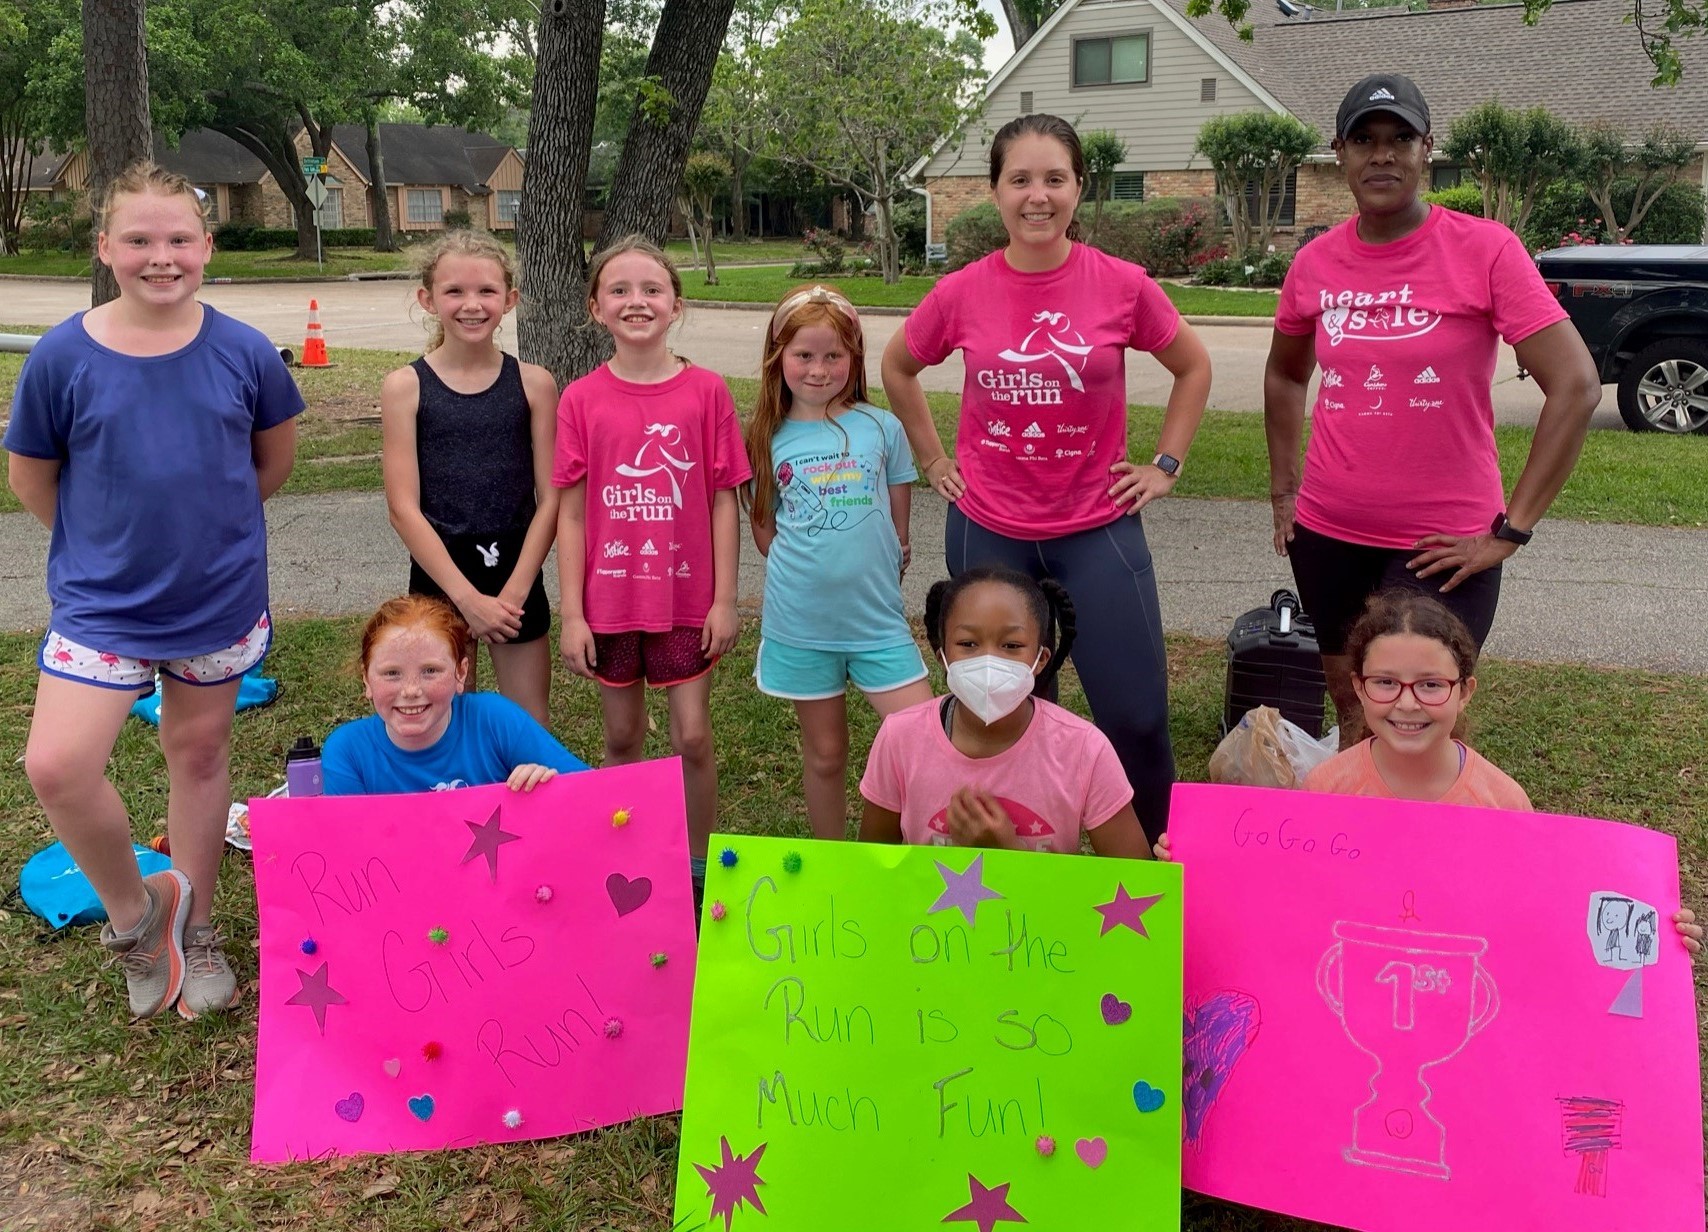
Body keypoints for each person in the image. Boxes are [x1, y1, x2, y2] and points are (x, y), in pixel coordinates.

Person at [5, 161, 303, 1019]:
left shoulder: (244, 350)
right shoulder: (64, 355)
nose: (160, 257)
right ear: (106, 248)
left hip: (217, 599)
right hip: (103, 604)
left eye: (179, 239)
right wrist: (109, 545)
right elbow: (34, 479)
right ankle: (142, 918)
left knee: (199, 755)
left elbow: (270, 463)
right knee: (57, 766)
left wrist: (206, 537)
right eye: (139, 240)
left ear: (208, 248)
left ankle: (199, 927)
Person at [881, 113, 1212, 844]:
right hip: (988, 530)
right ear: (994, 193)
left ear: (1078, 189)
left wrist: (1165, 464)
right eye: (1020, 180)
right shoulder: (964, 290)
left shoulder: (1121, 285)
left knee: (1136, 717)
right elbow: (898, 366)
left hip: (1097, 531)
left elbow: (1193, 366)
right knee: (1007, 715)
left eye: (1054, 179)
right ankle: (1026, 867)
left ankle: (1152, 884)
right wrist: (934, 457)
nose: (1038, 196)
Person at [1264, 73, 1601, 746]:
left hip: (1443, 545)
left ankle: (1424, 843)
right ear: (1340, 151)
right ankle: (1357, 843)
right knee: (1352, 696)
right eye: (1364, 139)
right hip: (1328, 530)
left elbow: (1576, 385)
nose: (1381, 155)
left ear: (1427, 150)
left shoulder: (1485, 250)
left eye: (1400, 139)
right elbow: (1283, 372)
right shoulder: (1316, 262)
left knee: (1415, 712)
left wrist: (1512, 529)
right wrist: (1284, 489)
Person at [1155, 589, 1702, 953]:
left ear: (1465, 692)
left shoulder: (1503, 803)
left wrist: (1654, 931)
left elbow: (1539, 919)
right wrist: (1199, 864)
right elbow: (1289, 899)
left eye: (1431, 685)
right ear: (1359, 688)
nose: (1407, 704)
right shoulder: (1327, 790)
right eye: (1386, 682)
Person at [554, 236, 751, 902]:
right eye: (619, 290)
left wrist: (725, 598)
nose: (636, 301)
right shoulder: (581, 400)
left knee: (693, 736)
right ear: (595, 308)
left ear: (676, 305)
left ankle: (697, 868)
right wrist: (573, 612)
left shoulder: (706, 392)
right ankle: (630, 858)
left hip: (686, 598)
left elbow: (724, 498)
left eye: (651, 289)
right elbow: (572, 514)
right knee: (621, 734)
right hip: (608, 603)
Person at [746, 284, 933, 839]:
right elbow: (764, 531)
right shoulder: (763, 436)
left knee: (923, 741)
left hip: (877, 623)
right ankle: (833, 862)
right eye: (804, 355)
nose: (819, 369)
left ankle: (913, 859)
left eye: (834, 355)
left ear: (854, 358)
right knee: (826, 755)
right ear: (778, 359)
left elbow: (899, 506)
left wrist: (892, 545)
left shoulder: (882, 427)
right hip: (802, 624)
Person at [379, 230, 561, 726]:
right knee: (444, 726)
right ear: (428, 299)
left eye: (486, 291)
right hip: (440, 575)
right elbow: (403, 508)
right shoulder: (405, 387)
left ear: (510, 300)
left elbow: (552, 498)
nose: (471, 305)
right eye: (454, 291)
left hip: (516, 574)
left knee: (526, 728)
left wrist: (516, 592)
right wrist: (465, 598)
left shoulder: (534, 384)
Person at [859, 567, 1150, 858]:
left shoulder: (1085, 750)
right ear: (943, 657)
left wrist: (1008, 852)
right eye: (968, 644)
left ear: (1040, 659)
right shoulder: (900, 739)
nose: (989, 660)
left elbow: (1135, 880)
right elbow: (869, 866)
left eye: (1011, 646)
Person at [322, 595, 587, 795]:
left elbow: (596, 793)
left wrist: (550, 789)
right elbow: (346, 850)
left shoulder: (494, 720)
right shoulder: (347, 752)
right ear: (367, 679)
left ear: (461, 673)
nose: (411, 690)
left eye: (430, 670)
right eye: (392, 673)